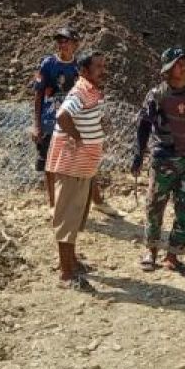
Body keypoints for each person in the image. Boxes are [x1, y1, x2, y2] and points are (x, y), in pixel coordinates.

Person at [132, 48, 185, 275]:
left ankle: (173, 255)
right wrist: (138, 155)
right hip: (162, 159)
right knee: (155, 207)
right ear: (168, 70)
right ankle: (151, 251)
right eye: (179, 65)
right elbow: (143, 126)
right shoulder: (157, 95)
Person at [31, 27, 120, 217]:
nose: (63, 45)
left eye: (67, 41)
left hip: (77, 121)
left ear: (75, 44)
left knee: (86, 162)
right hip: (50, 120)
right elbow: (38, 94)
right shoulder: (48, 63)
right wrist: (36, 125)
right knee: (51, 163)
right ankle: (53, 204)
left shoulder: (80, 66)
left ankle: (97, 201)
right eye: (60, 41)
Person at [45, 50, 108, 291]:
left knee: (75, 217)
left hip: (83, 165)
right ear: (83, 71)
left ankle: (71, 262)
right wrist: (78, 138)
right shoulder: (81, 91)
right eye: (99, 67)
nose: (103, 70)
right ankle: (66, 273)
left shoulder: (92, 90)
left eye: (104, 65)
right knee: (68, 218)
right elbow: (62, 116)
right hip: (72, 164)